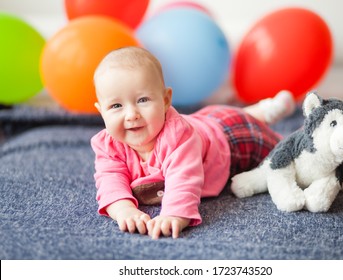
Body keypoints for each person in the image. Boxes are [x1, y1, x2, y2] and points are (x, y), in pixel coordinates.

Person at [91, 46, 295, 239]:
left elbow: (183, 178)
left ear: (165, 100)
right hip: (202, 121)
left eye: (142, 100)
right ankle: (260, 111)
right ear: (101, 112)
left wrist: (174, 214)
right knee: (226, 116)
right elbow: (109, 179)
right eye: (116, 105)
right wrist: (123, 209)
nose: (131, 115)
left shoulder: (178, 136)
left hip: (229, 136)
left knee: (283, 150)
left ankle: (265, 112)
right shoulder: (108, 144)